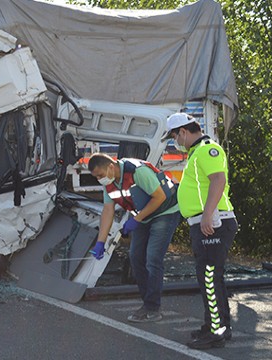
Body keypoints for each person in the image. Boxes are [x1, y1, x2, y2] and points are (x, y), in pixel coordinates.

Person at [162, 113, 237, 350]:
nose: (175, 140)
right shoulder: (197, 153)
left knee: (209, 278)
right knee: (213, 278)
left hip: (212, 223)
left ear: (183, 132)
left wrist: (206, 214)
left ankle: (216, 331)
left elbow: (218, 180)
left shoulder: (206, 149)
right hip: (207, 223)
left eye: (174, 136)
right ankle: (217, 326)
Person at [88, 153, 181, 323]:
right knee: (136, 257)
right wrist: (100, 242)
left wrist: (136, 220)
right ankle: (147, 304)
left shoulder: (138, 172)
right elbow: (108, 211)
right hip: (142, 215)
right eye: (96, 177)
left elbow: (159, 197)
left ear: (110, 166)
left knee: (153, 258)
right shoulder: (109, 184)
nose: (99, 179)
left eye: (100, 175)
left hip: (165, 212)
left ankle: (152, 308)